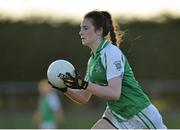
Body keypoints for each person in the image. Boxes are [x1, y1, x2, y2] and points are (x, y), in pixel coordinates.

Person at [49, 10, 167, 129]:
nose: (80, 32)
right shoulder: (93, 60)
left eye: (85, 28)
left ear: (99, 30)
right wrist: (64, 89)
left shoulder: (111, 53)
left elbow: (114, 93)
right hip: (116, 114)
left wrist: (83, 84)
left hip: (138, 113)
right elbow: (84, 98)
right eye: (80, 28)